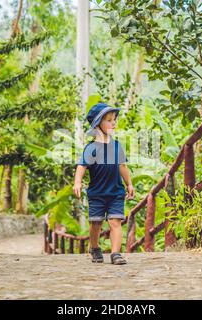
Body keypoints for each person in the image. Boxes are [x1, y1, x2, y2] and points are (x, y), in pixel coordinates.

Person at [73, 102, 134, 265]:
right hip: (97, 193)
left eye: (114, 119)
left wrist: (129, 184)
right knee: (96, 223)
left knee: (115, 221)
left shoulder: (116, 146)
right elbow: (81, 166)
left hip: (115, 192)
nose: (113, 123)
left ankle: (115, 253)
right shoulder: (91, 148)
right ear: (98, 124)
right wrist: (77, 182)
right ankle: (94, 247)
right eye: (109, 120)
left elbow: (122, 166)